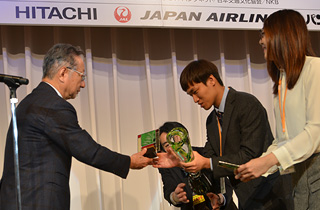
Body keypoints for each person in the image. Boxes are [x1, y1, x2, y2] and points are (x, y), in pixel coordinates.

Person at [0, 43, 154, 210]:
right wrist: (129, 162)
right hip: (39, 202)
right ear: (64, 73)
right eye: (82, 76)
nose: (83, 84)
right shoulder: (53, 105)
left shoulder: (29, 102)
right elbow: (87, 150)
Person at [154, 59, 293, 209]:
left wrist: (206, 162)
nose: (195, 100)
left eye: (195, 92)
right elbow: (209, 155)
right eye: (190, 95)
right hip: (247, 197)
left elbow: (249, 155)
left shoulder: (246, 104)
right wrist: (180, 159)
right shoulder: (212, 120)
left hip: (271, 194)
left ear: (211, 80)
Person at [235, 9, 320, 210]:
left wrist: (268, 161)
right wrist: (258, 165)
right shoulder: (282, 80)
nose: (260, 41)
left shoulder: (315, 68)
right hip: (297, 179)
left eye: (264, 34)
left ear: (283, 35)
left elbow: (316, 131)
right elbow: (283, 140)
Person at [157, 121, 237, 210]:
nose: (173, 147)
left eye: (175, 140)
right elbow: (168, 188)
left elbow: (225, 185)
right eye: (167, 145)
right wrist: (175, 197)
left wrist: (219, 199)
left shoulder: (204, 153)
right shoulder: (167, 167)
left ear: (186, 138)